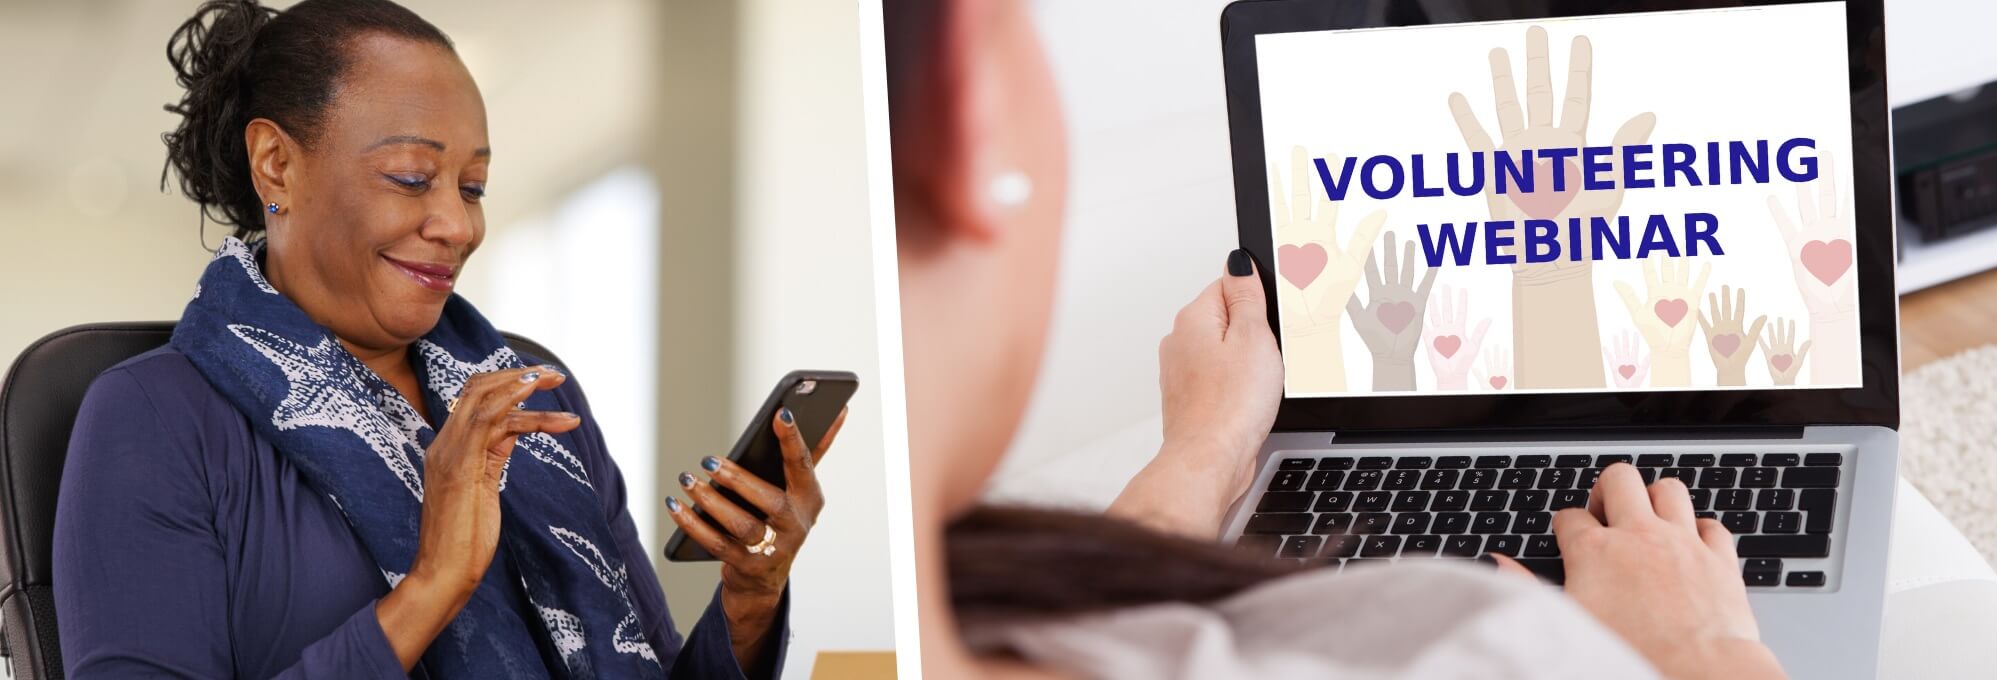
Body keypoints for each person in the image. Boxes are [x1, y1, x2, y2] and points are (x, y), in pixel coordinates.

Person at [885, 1, 1793, 678]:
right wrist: (1698, 651)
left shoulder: (980, 624)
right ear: (966, 105)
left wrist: (1207, 447)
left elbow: (1111, 631)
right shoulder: (1484, 643)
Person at [51, 1, 837, 677]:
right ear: (277, 164)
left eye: (473, 187)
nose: (458, 225)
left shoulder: (530, 392)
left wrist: (749, 599)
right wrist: (433, 584)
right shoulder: (151, 417)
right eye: (409, 177)